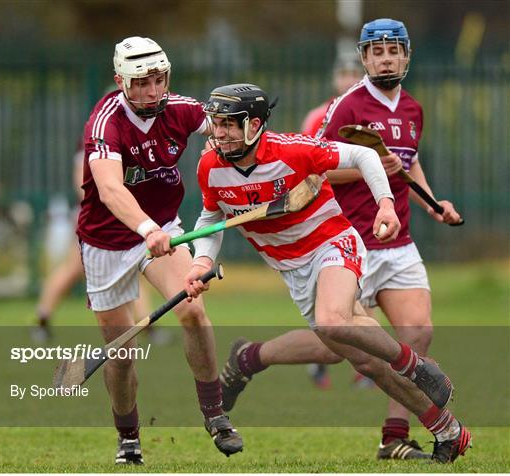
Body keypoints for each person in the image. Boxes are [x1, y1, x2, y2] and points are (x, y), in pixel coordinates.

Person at [152, 81, 471, 464]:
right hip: (292, 269)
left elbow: (363, 157)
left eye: (229, 124)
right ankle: (448, 429)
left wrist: (385, 204)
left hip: (333, 242)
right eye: (215, 123)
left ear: (254, 125)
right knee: (367, 362)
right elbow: (211, 218)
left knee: (331, 320)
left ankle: (415, 366)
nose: (219, 133)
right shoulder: (211, 168)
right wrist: (201, 263)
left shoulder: (293, 150)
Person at [76, 36, 243, 465]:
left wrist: (226, 142)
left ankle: (215, 414)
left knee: (192, 310)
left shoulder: (182, 110)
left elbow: (228, 129)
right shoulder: (106, 122)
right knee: (123, 353)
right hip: (107, 241)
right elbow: (110, 188)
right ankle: (128, 437)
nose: (153, 90)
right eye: (142, 82)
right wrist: (145, 227)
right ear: (121, 81)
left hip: (165, 230)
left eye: (159, 79)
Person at [32, 147, 169, 346]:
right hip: (95, 224)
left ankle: (149, 326)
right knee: (71, 271)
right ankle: (42, 320)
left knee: (132, 271)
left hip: (116, 222)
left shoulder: (119, 145)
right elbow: (85, 190)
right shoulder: (92, 147)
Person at [301, 55, 367, 390]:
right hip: (325, 220)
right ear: (334, 78)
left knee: (361, 297)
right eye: (343, 73)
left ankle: (366, 368)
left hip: (363, 216)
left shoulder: (371, 116)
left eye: (355, 73)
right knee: (330, 305)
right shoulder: (318, 117)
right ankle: (320, 359)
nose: (349, 79)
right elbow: (307, 168)